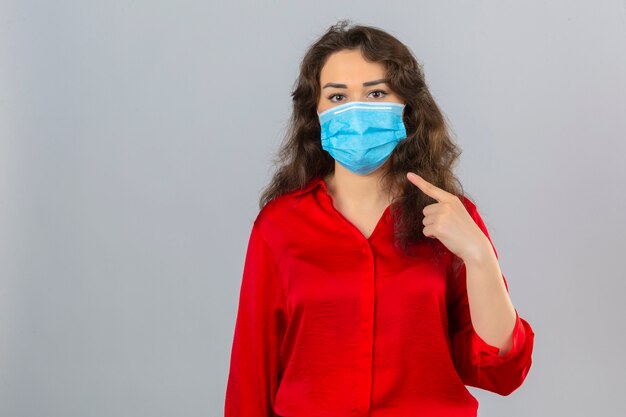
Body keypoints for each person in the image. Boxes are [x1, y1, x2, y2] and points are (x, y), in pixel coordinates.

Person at [224, 19, 535, 417]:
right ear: (314, 111)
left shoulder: (451, 217)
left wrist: (479, 257)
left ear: (405, 108)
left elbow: (503, 372)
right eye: (337, 97)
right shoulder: (279, 225)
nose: (356, 112)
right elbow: (252, 376)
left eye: (375, 93)